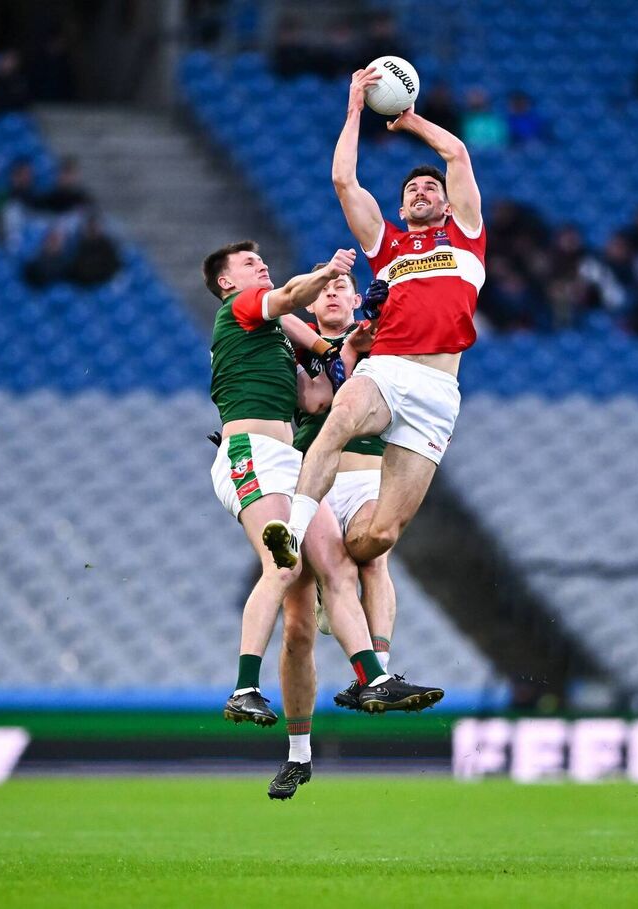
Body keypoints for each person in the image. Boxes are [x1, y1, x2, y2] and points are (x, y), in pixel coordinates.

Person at [264, 67, 485, 596]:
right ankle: (291, 534)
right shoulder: (386, 246)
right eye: (412, 188)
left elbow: (457, 154)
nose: (421, 191)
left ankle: (326, 566)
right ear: (402, 205)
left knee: (380, 536)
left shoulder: (467, 237)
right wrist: (355, 110)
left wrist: (411, 121)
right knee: (339, 420)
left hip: (438, 392)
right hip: (387, 369)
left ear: (448, 203)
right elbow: (344, 180)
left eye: (430, 187)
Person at [204, 241, 439, 731]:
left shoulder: (273, 326)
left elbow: (314, 375)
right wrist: (331, 271)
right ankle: (245, 687)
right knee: (283, 569)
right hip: (250, 451)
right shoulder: (242, 305)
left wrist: (345, 344)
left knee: (337, 567)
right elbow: (289, 298)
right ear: (227, 282)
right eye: (249, 264)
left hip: (290, 460)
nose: (261, 265)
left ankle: (372, 677)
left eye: (262, 260)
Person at [0, 50, 31, 118]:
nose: (4, 63)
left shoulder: (19, 82)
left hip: (13, 117)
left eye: (8, 60)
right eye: (3, 59)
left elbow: (20, 103)